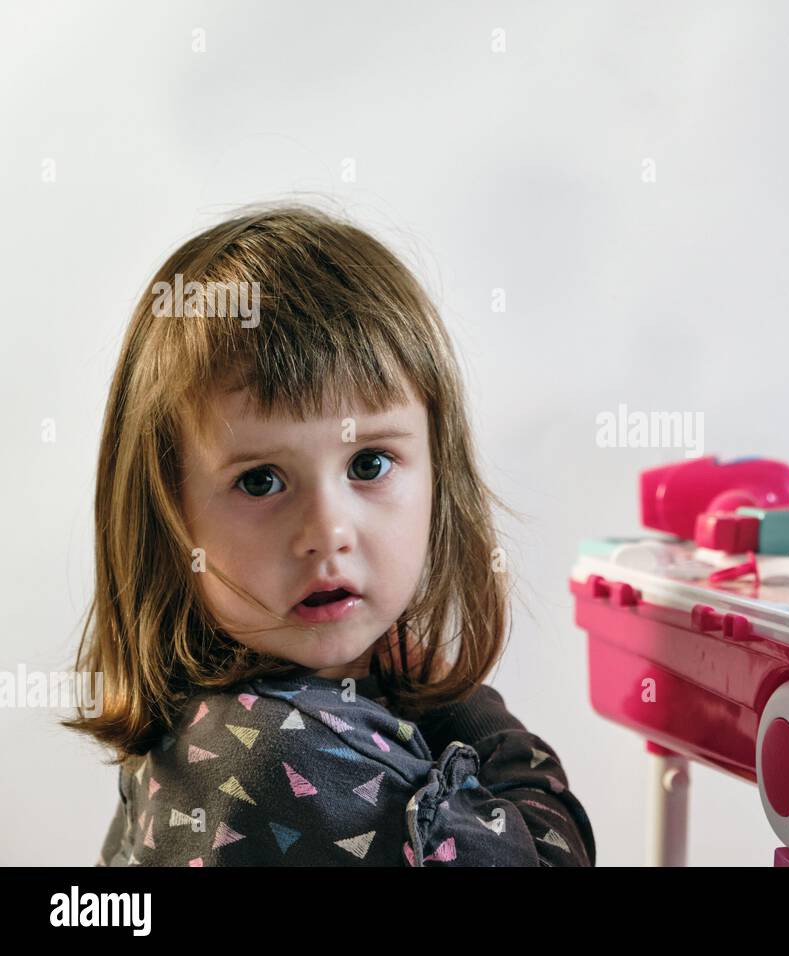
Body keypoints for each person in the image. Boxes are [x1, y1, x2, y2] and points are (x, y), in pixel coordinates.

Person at [67, 204, 594, 866]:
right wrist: (465, 707)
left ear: (441, 475)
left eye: (368, 464)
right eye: (260, 481)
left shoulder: (205, 724)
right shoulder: (295, 760)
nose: (326, 533)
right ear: (168, 520)